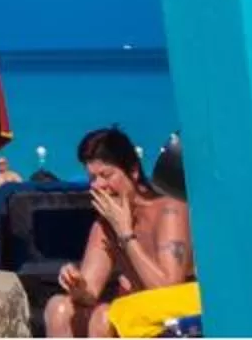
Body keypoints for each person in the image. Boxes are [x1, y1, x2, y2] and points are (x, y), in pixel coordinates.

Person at [44, 128, 192, 339]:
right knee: (59, 308)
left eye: (106, 175)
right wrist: (77, 285)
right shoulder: (105, 225)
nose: (98, 186)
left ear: (133, 171)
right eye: (92, 178)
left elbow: (168, 292)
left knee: (105, 317)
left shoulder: (169, 210)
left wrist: (125, 233)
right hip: (134, 315)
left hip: (179, 321)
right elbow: (89, 293)